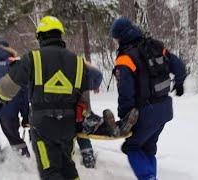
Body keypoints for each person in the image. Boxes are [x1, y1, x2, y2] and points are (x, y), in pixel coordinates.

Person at [0, 16, 90, 180]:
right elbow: (83, 91)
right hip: (68, 125)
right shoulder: (79, 62)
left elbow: (9, 85)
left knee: (50, 171)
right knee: (68, 167)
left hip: (43, 126)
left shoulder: (33, 58)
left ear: (41, 37)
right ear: (60, 35)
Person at [110, 17, 187, 180]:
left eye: (115, 38)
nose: (115, 41)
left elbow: (126, 93)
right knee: (148, 147)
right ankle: (151, 177)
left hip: (144, 113)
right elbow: (179, 66)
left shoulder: (125, 59)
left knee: (132, 147)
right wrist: (179, 83)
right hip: (165, 109)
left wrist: (125, 117)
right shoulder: (156, 47)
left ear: (121, 37)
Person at [76, 62, 103, 168]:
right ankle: (88, 156)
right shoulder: (79, 63)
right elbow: (98, 74)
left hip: (69, 109)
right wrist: (95, 85)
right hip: (83, 109)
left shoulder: (50, 66)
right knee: (83, 129)